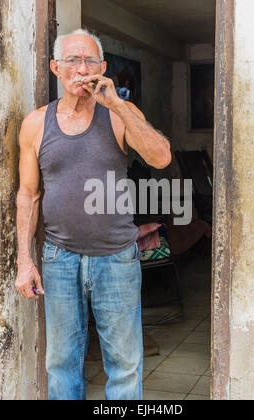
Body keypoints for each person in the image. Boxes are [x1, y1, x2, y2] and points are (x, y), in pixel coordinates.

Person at [15, 29, 171, 401]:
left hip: (116, 258)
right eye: (72, 60)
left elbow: (161, 157)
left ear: (103, 68)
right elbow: (28, 195)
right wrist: (25, 260)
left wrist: (116, 104)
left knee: (124, 364)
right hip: (59, 259)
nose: (82, 69)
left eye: (90, 61)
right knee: (61, 364)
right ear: (56, 68)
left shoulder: (119, 113)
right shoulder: (36, 123)